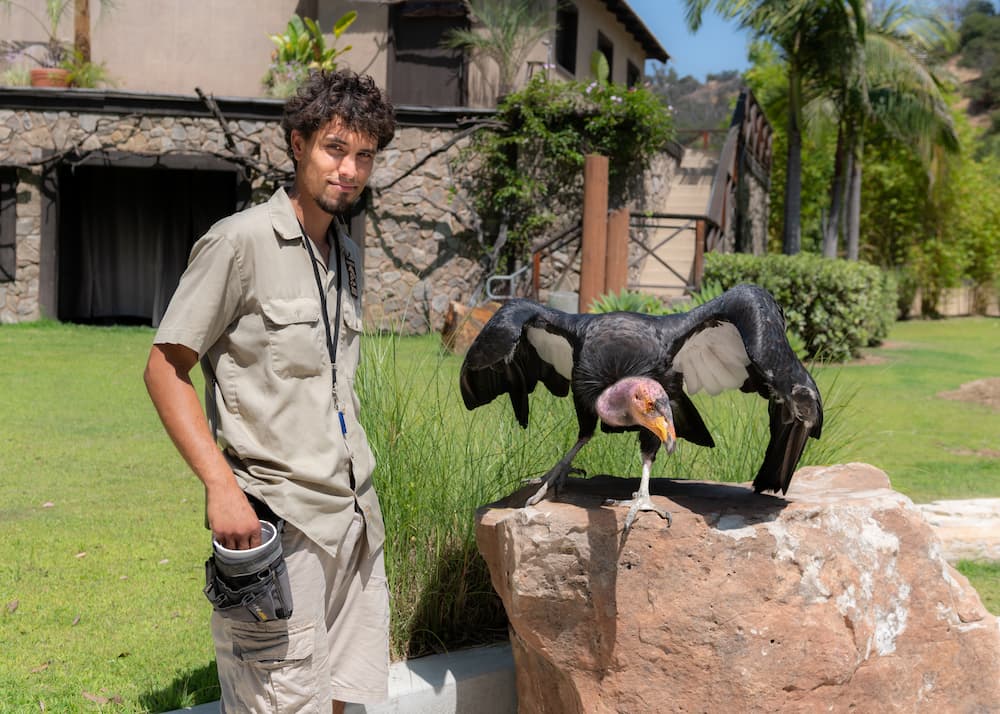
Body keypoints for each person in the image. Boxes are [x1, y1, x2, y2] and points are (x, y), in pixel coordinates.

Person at [144, 69, 396, 713]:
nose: (349, 169)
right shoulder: (239, 242)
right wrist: (222, 488)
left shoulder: (347, 256)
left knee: (348, 701)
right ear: (298, 144)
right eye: (335, 149)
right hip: (280, 520)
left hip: (355, 521)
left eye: (363, 155)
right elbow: (164, 368)